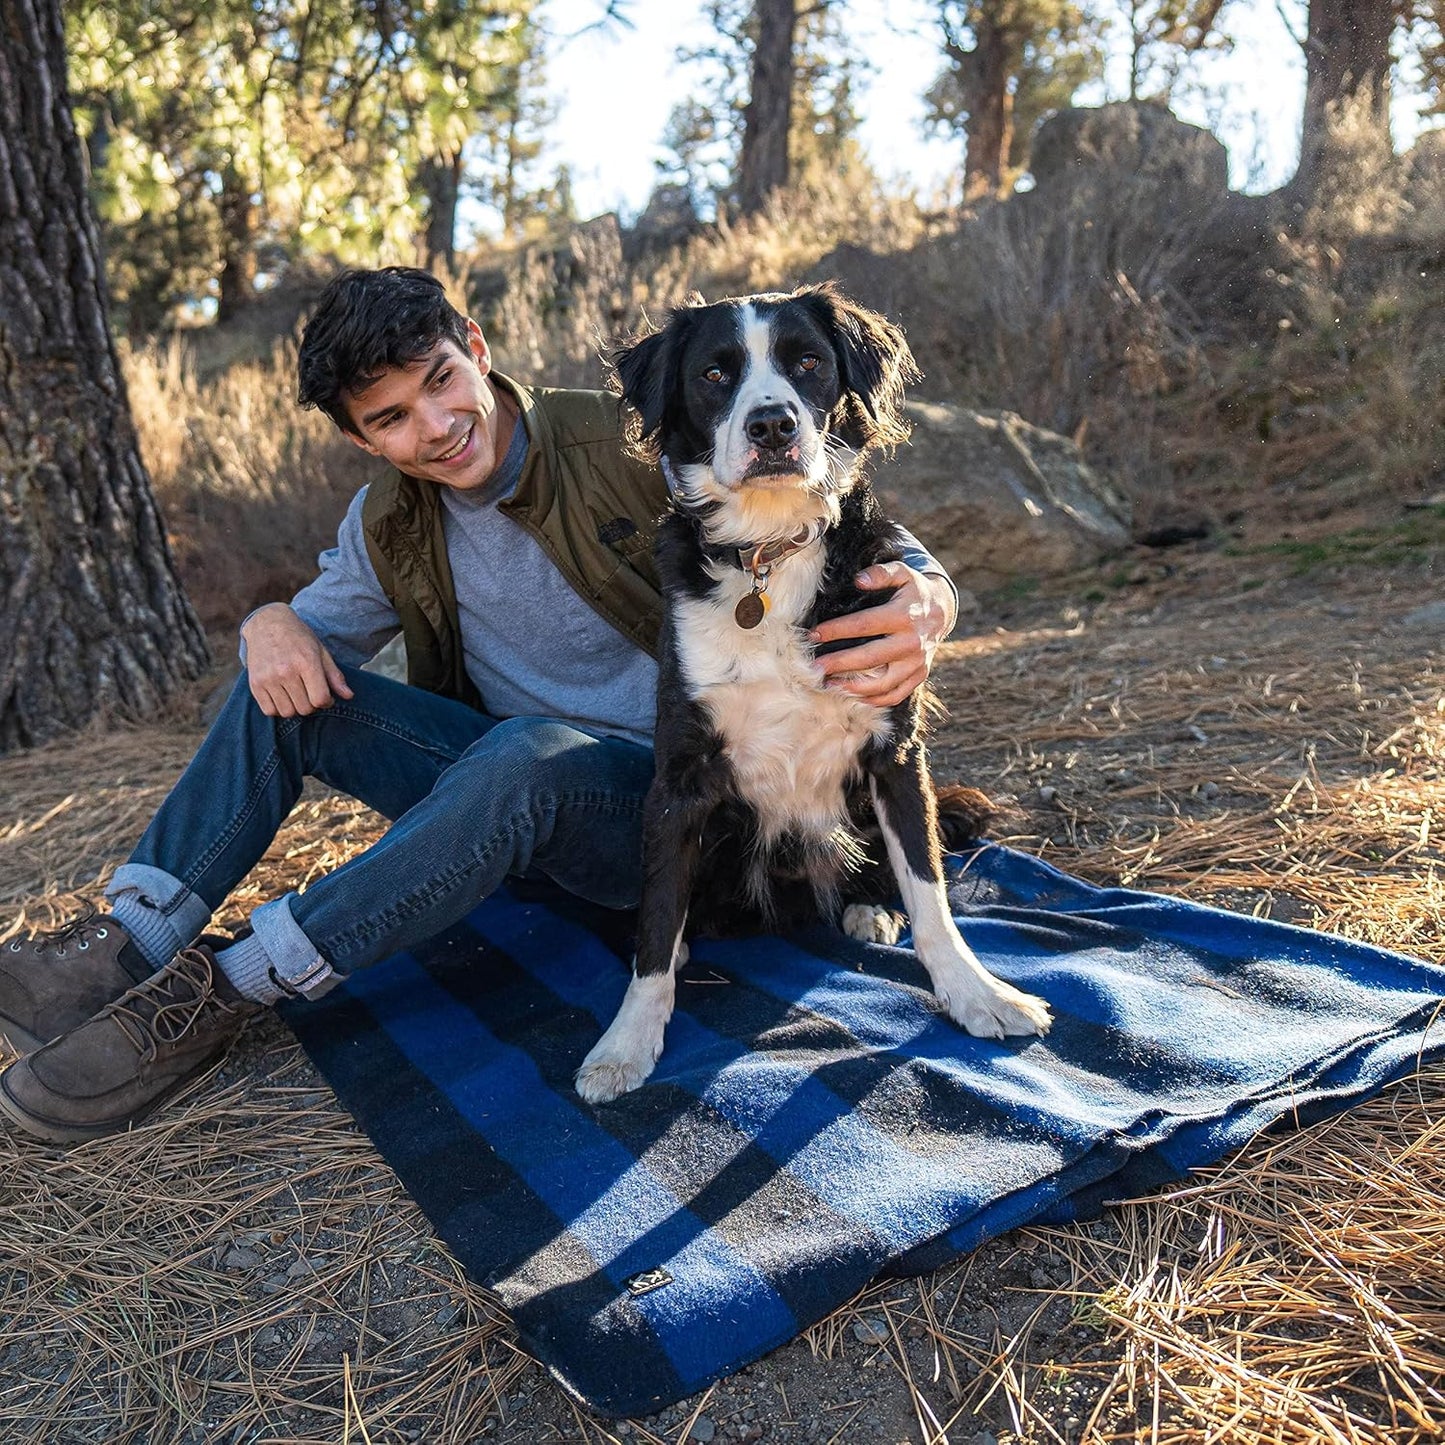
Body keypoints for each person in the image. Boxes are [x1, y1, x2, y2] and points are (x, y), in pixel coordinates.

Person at [0, 266, 962, 1144]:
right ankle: (127, 948)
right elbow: (300, 648)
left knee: (525, 752)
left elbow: (836, 518)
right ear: (360, 438)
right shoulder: (386, 521)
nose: (434, 425)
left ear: (476, 347)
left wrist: (930, 594)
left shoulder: (628, 438)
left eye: (440, 381)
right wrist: (268, 621)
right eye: (390, 417)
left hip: (669, 807)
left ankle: (228, 988)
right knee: (285, 692)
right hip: (507, 798)